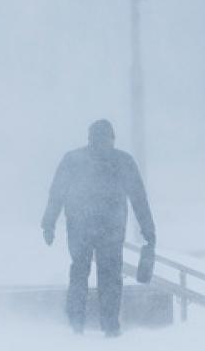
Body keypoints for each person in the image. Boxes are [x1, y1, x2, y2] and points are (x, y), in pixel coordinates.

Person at [41, 119, 155, 336]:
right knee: (110, 276)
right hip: (110, 228)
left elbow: (57, 192)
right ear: (112, 138)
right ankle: (110, 326)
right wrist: (149, 232)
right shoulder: (123, 161)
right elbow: (139, 199)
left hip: (80, 226)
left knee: (79, 272)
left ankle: (76, 325)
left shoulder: (73, 160)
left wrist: (49, 223)